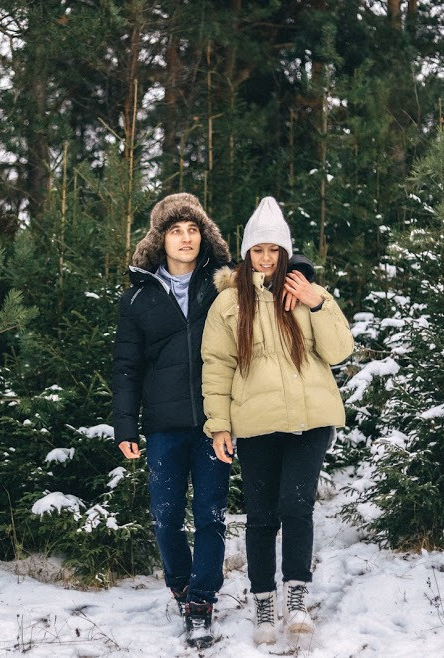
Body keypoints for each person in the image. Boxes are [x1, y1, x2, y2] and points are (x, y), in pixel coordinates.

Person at [201, 197, 353, 644]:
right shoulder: (228, 304)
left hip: (310, 419)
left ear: (285, 252)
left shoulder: (307, 293)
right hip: (256, 423)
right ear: (246, 254)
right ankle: (264, 601)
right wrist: (220, 424)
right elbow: (216, 366)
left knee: (297, 506)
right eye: (258, 250)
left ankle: (298, 598)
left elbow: (341, 351)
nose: (266, 258)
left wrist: (318, 301)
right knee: (263, 516)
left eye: (274, 250)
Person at [111, 192, 233, 649]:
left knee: (210, 515)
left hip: (213, 422)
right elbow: (126, 366)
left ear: (205, 237)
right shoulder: (138, 298)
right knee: (165, 517)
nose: (185, 238)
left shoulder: (223, 288)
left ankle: (202, 603)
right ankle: (181, 587)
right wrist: (126, 426)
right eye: (176, 231)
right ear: (160, 240)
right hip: (162, 426)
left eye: (193, 230)